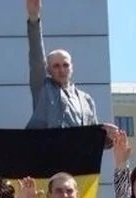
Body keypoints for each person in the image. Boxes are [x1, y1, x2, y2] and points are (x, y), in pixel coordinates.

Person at [24, 0, 99, 129]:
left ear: (72, 67)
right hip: (47, 147)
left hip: (77, 149)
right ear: (48, 69)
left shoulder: (86, 100)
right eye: (56, 66)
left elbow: (94, 135)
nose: (62, 70)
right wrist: (34, 19)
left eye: (65, 65)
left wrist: (110, 138)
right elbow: (36, 57)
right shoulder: (43, 88)